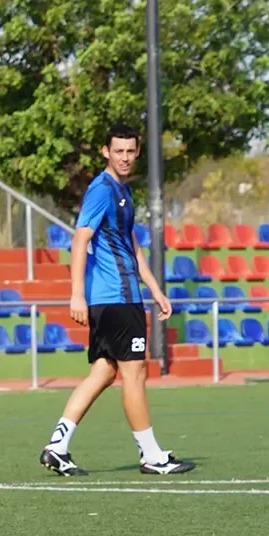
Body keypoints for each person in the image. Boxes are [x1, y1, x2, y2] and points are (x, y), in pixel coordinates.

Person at [40, 126, 191, 476]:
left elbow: (130, 246)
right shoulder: (102, 190)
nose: (124, 157)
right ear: (105, 151)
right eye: (118, 151)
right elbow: (80, 240)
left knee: (105, 371)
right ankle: (151, 455)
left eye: (130, 151)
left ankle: (57, 446)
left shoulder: (123, 191)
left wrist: (154, 289)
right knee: (135, 372)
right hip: (115, 298)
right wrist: (76, 293)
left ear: (137, 153)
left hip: (124, 297)